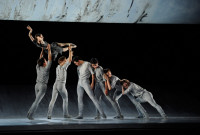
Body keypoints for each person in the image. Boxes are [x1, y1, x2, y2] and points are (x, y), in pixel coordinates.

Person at [47, 45, 74, 119]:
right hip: (61, 85)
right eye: (65, 60)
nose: (66, 61)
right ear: (62, 61)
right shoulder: (63, 66)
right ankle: (65, 114)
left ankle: (49, 115)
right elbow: (70, 60)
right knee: (65, 99)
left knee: (53, 99)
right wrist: (70, 50)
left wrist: (70, 53)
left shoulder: (58, 66)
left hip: (55, 84)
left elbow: (68, 59)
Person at [27, 44, 52, 120]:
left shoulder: (38, 67)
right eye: (45, 61)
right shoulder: (46, 68)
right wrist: (49, 49)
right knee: (37, 101)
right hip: (42, 87)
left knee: (36, 101)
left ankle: (29, 113)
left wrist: (42, 51)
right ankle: (30, 115)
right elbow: (50, 58)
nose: (46, 61)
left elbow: (40, 58)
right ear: (44, 63)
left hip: (37, 85)